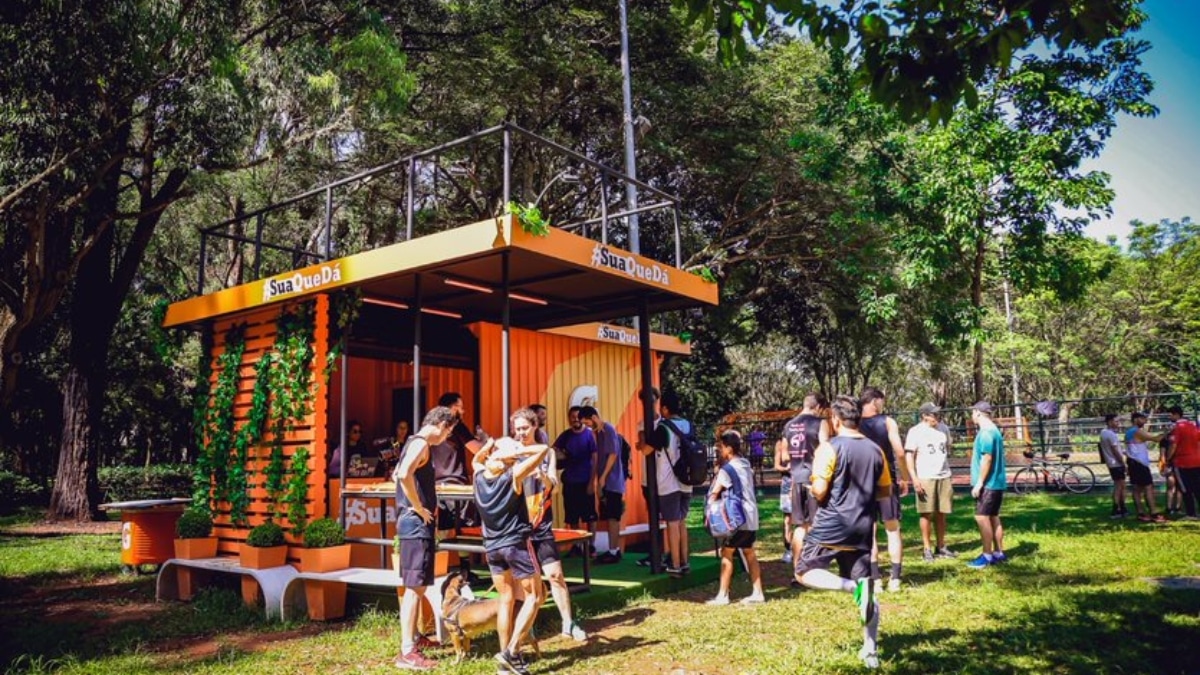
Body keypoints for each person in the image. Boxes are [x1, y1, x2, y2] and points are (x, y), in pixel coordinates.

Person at [793, 395, 891, 670]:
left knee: (803, 572)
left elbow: (820, 489)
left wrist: (813, 487)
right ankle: (870, 651)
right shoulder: (876, 450)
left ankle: (850, 587)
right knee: (867, 588)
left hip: (831, 525)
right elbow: (885, 491)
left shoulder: (829, 448)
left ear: (835, 420)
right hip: (862, 527)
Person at [472, 417, 551, 675]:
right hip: (515, 544)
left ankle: (506, 664)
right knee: (536, 596)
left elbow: (477, 459)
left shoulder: (478, 475)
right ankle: (511, 650)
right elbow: (543, 450)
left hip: (492, 548)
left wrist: (491, 446)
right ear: (508, 458)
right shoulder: (513, 475)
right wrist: (517, 450)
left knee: (505, 599)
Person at [392, 407, 456, 671]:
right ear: (441, 424)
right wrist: (418, 506)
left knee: (416, 587)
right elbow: (402, 474)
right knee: (414, 587)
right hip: (415, 524)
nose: (446, 437)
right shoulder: (420, 443)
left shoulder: (413, 442)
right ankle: (407, 651)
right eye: (448, 431)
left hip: (415, 524)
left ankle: (415, 639)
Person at [517, 407, 589, 642]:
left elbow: (555, 487)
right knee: (528, 581)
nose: (521, 433)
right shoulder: (512, 452)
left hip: (542, 523)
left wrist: (545, 479)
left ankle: (568, 623)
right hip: (519, 525)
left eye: (525, 428)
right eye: (517, 429)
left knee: (555, 575)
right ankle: (528, 626)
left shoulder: (547, 453)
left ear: (535, 427)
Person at [859, 388, 910, 591]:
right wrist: (905, 476)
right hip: (886, 480)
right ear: (874, 401)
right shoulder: (888, 422)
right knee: (892, 528)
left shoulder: (853, 423)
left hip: (863, 482)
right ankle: (895, 578)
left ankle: (875, 579)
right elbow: (899, 451)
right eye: (882, 401)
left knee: (869, 531)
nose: (883, 405)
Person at [707, 429, 764, 605]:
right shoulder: (746, 464)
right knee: (749, 552)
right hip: (751, 515)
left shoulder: (727, 469)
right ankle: (758, 592)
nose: (720, 451)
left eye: (722, 447)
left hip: (737, 518)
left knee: (727, 553)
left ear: (729, 449)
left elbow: (715, 492)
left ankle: (723, 595)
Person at [644, 390, 693, 576]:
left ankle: (675, 563)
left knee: (672, 523)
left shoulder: (664, 428)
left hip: (668, 481)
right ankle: (685, 561)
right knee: (682, 522)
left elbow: (647, 450)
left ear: (665, 408)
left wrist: (641, 443)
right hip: (687, 480)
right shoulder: (688, 425)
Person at [780, 393, 829, 578]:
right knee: (817, 524)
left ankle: (797, 570)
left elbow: (785, 456)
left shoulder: (788, 425)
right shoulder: (819, 423)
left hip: (795, 478)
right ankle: (814, 568)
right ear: (818, 407)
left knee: (800, 526)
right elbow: (825, 449)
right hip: (815, 478)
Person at [904, 403, 955, 561]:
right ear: (925, 416)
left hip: (944, 475)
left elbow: (948, 447)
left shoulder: (943, 429)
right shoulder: (915, 432)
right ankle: (926, 548)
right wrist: (914, 478)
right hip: (925, 476)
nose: (937, 417)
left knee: (942, 513)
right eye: (933, 415)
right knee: (926, 513)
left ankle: (941, 546)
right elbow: (909, 456)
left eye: (938, 414)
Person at [430, 392, 484, 530]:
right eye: (460, 407)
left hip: (436, 486)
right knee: (465, 530)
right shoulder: (456, 424)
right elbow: (477, 449)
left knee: (444, 533)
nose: (463, 411)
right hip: (456, 486)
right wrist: (487, 441)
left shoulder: (431, 425)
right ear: (453, 408)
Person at [580, 405, 625, 564]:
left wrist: (603, 477)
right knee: (608, 516)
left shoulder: (608, 429)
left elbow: (613, 455)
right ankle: (612, 549)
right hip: (605, 481)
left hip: (612, 481)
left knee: (614, 516)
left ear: (593, 418)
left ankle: (614, 551)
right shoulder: (598, 433)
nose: (587, 426)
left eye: (587, 423)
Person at [967, 402, 1007, 568]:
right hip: (996, 483)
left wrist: (979, 483)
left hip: (989, 484)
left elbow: (987, 458)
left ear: (978, 412)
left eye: (972, 412)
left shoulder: (986, 433)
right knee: (993, 517)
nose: (971, 415)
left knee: (981, 517)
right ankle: (999, 552)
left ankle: (987, 555)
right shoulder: (994, 430)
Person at [554, 406, 599, 552]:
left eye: (577, 416)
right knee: (573, 517)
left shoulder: (589, 435)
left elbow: (595, 458)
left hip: (586, 481)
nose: (575, 419)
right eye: (572, 417)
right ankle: (577, 545)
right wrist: (561, 455)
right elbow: (553, 451)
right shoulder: (565, 436)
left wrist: (592, 482)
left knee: (590, 517)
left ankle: (591, 545)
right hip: (570, 482)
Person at [1125, 411, 1166, 522]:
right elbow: (1156, 439)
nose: (1145, 421)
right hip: (1139, 464)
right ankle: (1154, 513)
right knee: (1148, 487)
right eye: (1142, 418)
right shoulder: (1137, 431)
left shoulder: (1129, 432)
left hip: (1133, 462)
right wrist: (1168, 432)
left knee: (1137, 489)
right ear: (1136, 419)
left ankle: (1141, 513)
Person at [1166, 406, 1200, 519]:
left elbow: (1173, 445)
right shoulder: (1193, 426)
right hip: (1196, 460)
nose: (1169, 417)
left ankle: (1191, 513)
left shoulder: (1177, 428)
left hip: (1182, 462)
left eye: (1170, 415)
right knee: (1197, 487)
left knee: (1185, 488)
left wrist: (1168, 458)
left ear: (1176, 414)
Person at [1099, 414, 1128, 518]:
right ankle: (1117, 509)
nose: (1118, 423)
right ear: (1110, 422)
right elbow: (1115, 450)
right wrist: (1123, 463)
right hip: (1116, 463)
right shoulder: (1111, 435)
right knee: (1119, 486)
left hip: (1111, 463)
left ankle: (1121, 508)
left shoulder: (1103, 433)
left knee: (1120, 486)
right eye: (1116, 421)